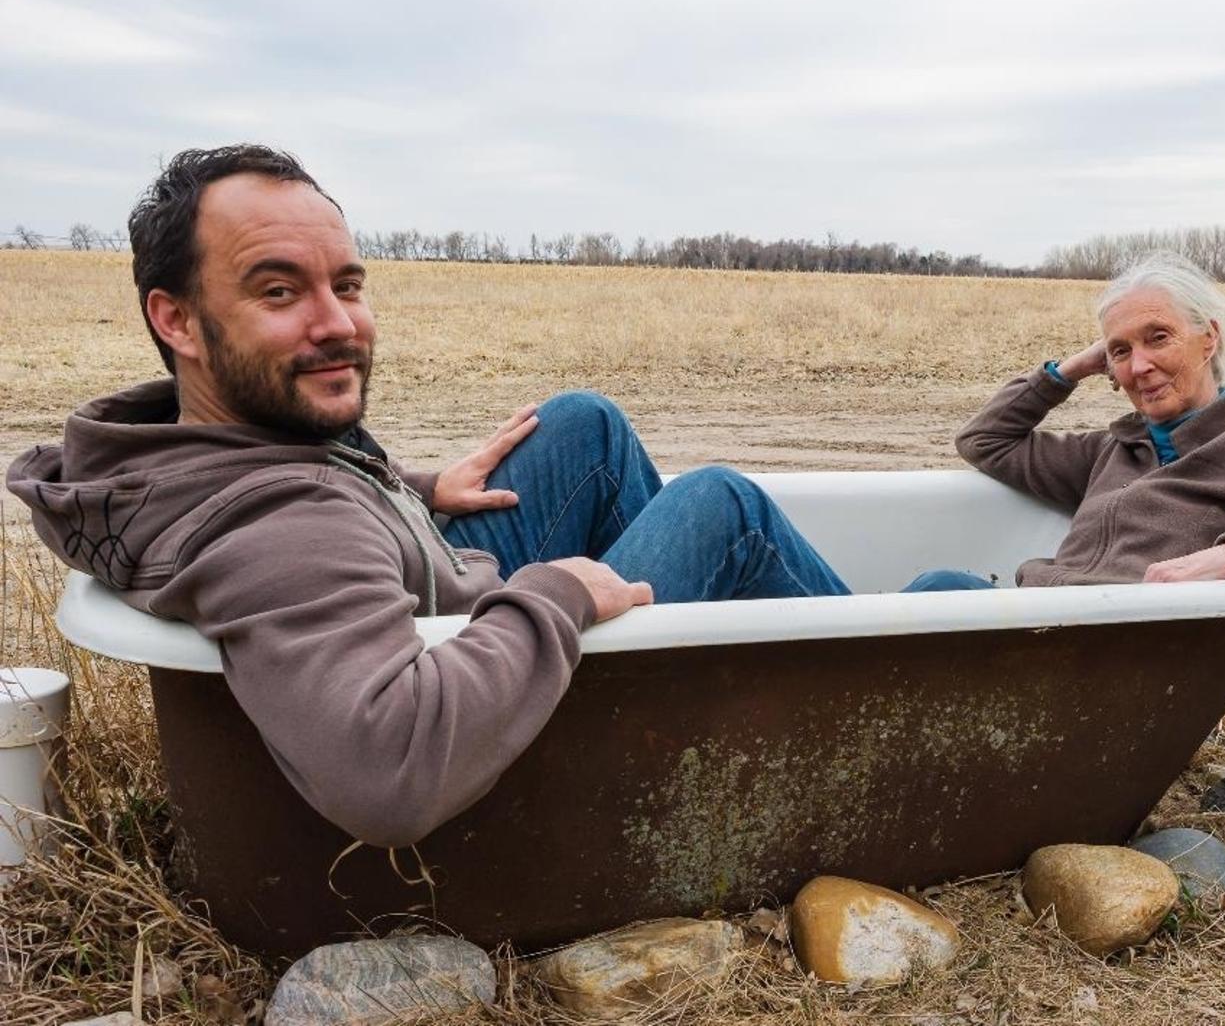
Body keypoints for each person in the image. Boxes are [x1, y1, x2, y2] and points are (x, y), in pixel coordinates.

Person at [6, 144, 848, 848]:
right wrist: (558, 595)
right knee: (721, 507)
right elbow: (389, 772)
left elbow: (303, 519)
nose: (337, 322)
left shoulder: (183, 454)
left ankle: (704, 677)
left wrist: (412, 490)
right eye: (278, 290)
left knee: (580, 429)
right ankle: (882, 680)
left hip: (442, 597)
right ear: (178, 321)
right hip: (493, 731)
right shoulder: (283, 531)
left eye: (347, 283)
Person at [906, 250, 1225, 596]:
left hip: (1103, 647)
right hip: (1030, 617)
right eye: (1120, 351)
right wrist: (1071, 368)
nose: (1138, 366)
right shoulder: (1112, 451)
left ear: (1208, 338)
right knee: (924, 586)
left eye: (1158, 338)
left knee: (935, 590)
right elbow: (984, 441)